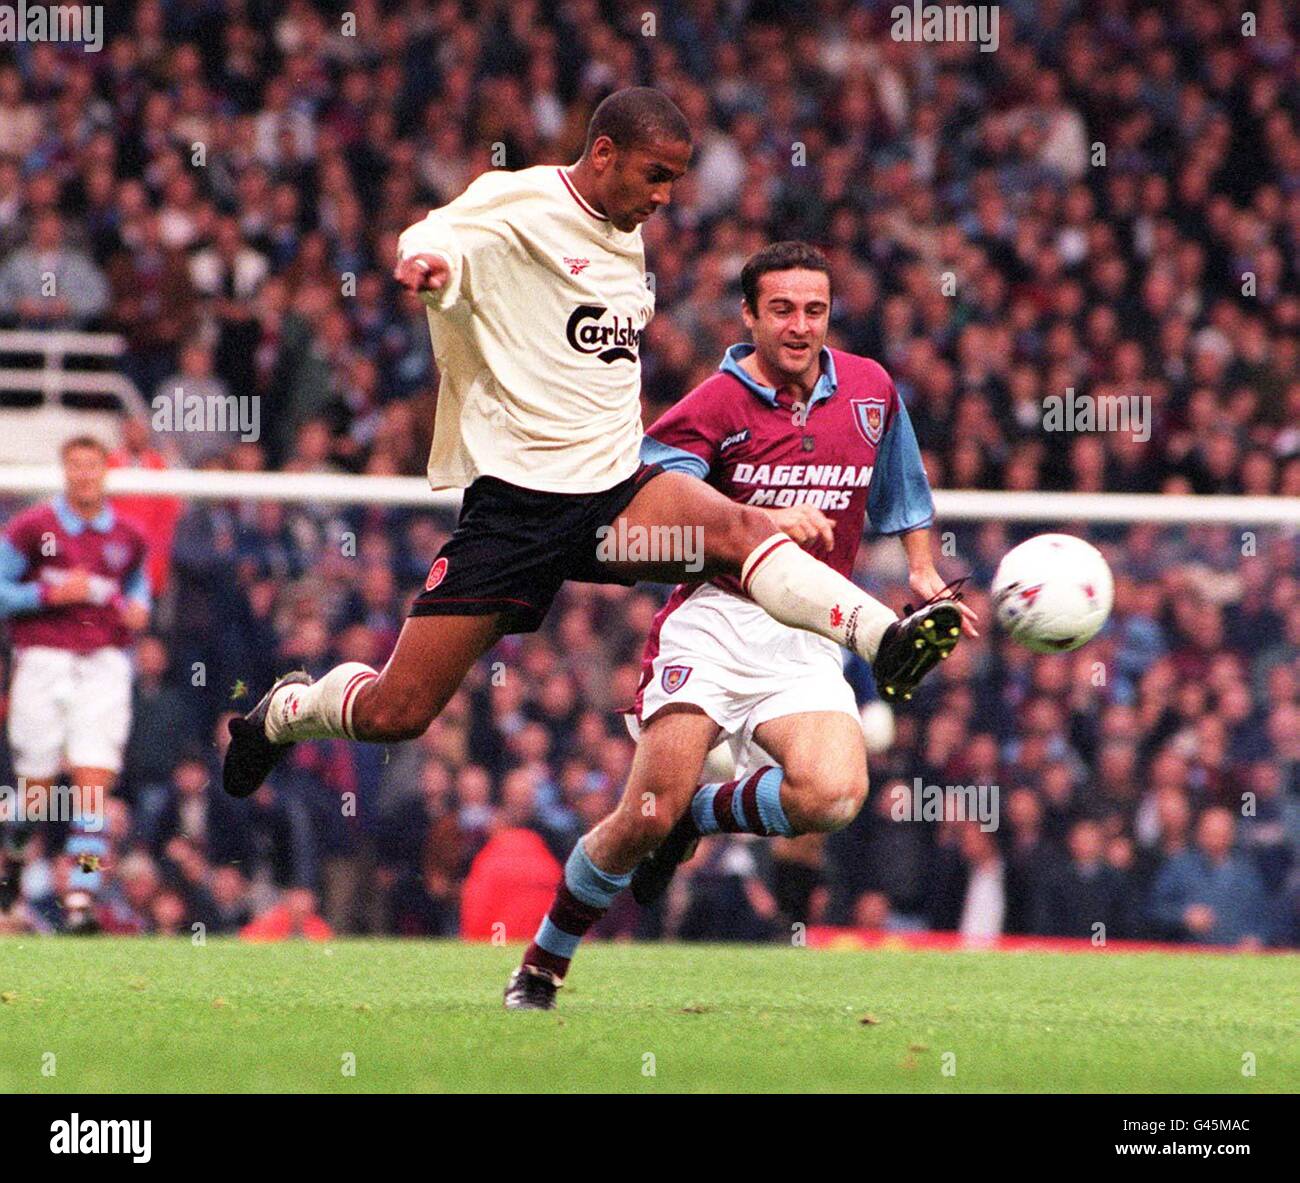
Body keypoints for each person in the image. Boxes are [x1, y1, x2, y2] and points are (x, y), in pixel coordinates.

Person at [221, 91, 964, 884]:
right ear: (603, 153)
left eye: (675, 180)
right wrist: (430, 264)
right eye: (654, 176)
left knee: (748, 527)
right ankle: (287, 710)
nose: (664, 197)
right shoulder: (524, 198)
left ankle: (885, 639)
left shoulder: (625, 235)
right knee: (397, 712)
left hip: (615, 504)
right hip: (517, 514)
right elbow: (441, 230)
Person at [506, 241, 977, 1007]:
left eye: (815, 310)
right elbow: (646, 507)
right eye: (783, 309)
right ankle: (543, 961)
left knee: (832, 794)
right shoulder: (713, 406)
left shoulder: (870, 389)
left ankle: (702, 811)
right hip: (716, 619)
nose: (800, 326)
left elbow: (906, 493)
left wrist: (923, 571)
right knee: (644, 814)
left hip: (808, 631)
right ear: (750, 315)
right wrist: (753, 520)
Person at [0, 436, 151, 910]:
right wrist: (49, 596)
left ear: (105, 471)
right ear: (65, 472)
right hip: (43, 659)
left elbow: (138, 590)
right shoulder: (31, 528)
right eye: (76, 466)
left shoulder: (128, 536)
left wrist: (139, 609)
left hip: (103, 663)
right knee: (36, 791)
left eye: (92, 466)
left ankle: (83, 894)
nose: (85, 475)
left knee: (92, 788)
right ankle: (16, 860)